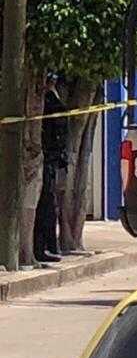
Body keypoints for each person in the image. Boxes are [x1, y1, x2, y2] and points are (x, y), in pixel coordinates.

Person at [34, 73, 68, 264]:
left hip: (52, 160)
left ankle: (49, 246)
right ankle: (42, 248)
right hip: (45, 158)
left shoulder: (52, 96)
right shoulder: (44, 100)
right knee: (45, 207)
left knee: (49, 206)